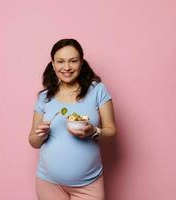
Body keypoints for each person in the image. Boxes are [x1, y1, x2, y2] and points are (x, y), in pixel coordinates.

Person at [28, 38, 117, 200]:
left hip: (89, 184)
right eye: (60, 62)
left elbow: (111, 132)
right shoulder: (44, 97)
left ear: (81, 62)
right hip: (48, 183)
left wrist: (93, 131)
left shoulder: (98, 90)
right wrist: (41, 135)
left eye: (73, 61)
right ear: (53, 64)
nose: (67, 67)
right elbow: (33, 141)